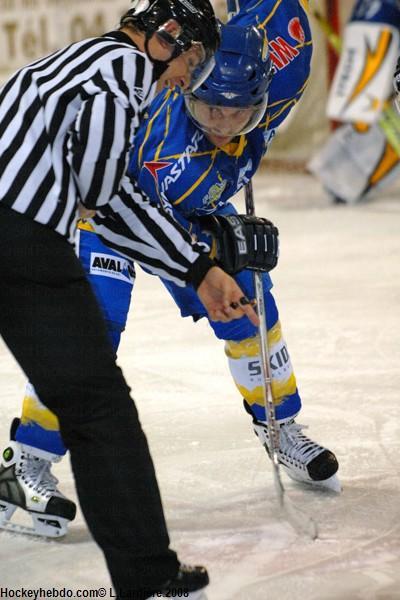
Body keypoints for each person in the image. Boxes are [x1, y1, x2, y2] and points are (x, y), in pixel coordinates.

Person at [1, 0, 339, 555]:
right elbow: (105, 194)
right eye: (208, 107)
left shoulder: (287, 65)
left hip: (184, 213)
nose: (223, 123)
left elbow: (271, 8)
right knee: (93, 328)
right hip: (109, 210)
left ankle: (280, 424)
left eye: (239, 113)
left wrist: (215, 244)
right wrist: (195, 261)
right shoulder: (143, 93)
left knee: (249, 303)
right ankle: (27, 463)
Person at [308, 0, 400, 204]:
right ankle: (345, 175)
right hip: (377, 17)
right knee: (362, 111)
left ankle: (346, 175)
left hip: (377, 17)